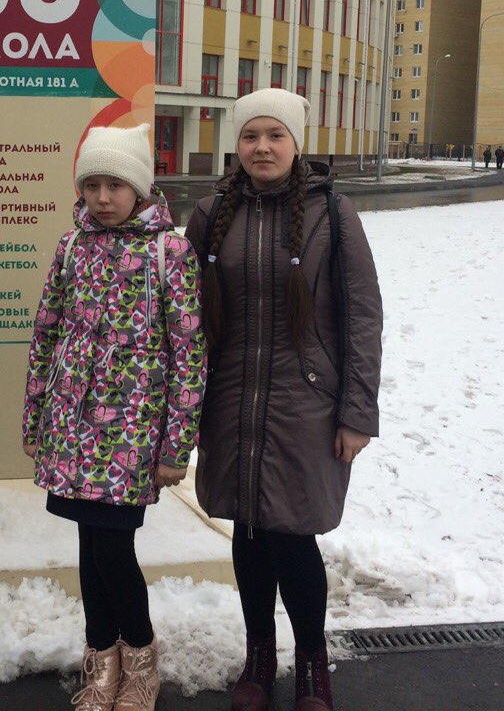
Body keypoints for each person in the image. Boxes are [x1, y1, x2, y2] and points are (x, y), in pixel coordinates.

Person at [185, 90, 382, 711]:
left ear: (297, 143)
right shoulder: (210, 213)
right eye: (250, 136)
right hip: (231, 399)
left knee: (293, 535)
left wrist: (357, 412)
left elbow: (362, 316)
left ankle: (313, 664)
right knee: (247, 531)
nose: (262, 147)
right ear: (237, 144)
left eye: (275, 135)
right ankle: (259, 656)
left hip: (306, 404)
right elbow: (186, 318)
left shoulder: (334, 213)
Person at [23, 124, 207, 711]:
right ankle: (101, 662)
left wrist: (176, 447)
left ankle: (141, 662)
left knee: (113, 551)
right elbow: (46, 335)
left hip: (131, 435)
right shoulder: (71, 247)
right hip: (71, 430)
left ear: (140, 188)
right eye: (92, 185)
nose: (103, 198)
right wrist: (35, 420)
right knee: (89, 548)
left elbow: (189, 354)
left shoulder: (169, 252)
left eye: (116, 185)